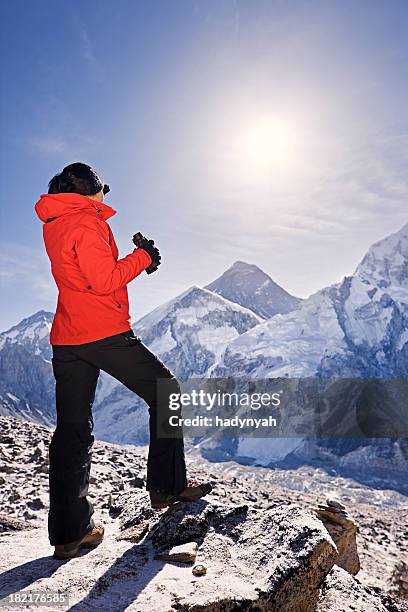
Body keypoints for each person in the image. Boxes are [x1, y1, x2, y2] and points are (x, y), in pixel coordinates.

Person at [34, 162, 212, 560]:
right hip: (102, 332)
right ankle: (167, 486)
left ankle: (69, 533)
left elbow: (82, 278)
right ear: (91, 192)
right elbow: (103, 280)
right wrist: (142, 258)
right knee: (165, 389)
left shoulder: (55, 222)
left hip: (68, 335)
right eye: (103, 191)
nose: (105, 198)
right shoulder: (86, 222)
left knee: (72, 429)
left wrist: (138, 259)